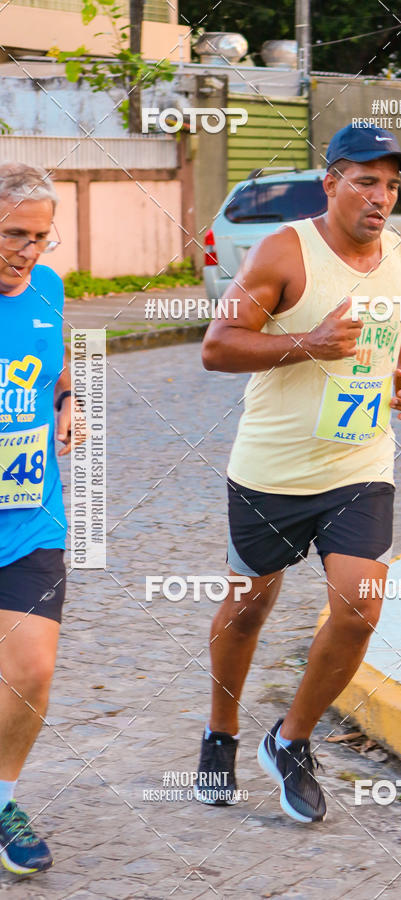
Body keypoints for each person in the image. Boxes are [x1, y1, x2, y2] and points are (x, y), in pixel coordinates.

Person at [196, 124, 401, 823]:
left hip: (359, 460)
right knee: (248, 608)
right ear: (331, 183)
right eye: (365, 180)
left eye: (390, 184)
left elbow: (394, 342)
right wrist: (308, 342)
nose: (380, 197)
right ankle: (220, 732)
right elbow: (217, 346)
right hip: (272, 467)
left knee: (359, 606)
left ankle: (290, 740)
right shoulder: (284, 250)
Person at [0, 163, 74, 873]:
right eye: (13, 234)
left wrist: (65, 404)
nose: (27, 251)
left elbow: (56, 363)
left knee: (33, 669)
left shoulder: (48, 290)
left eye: (40, 238)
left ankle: (1, 798)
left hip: (29, 516)